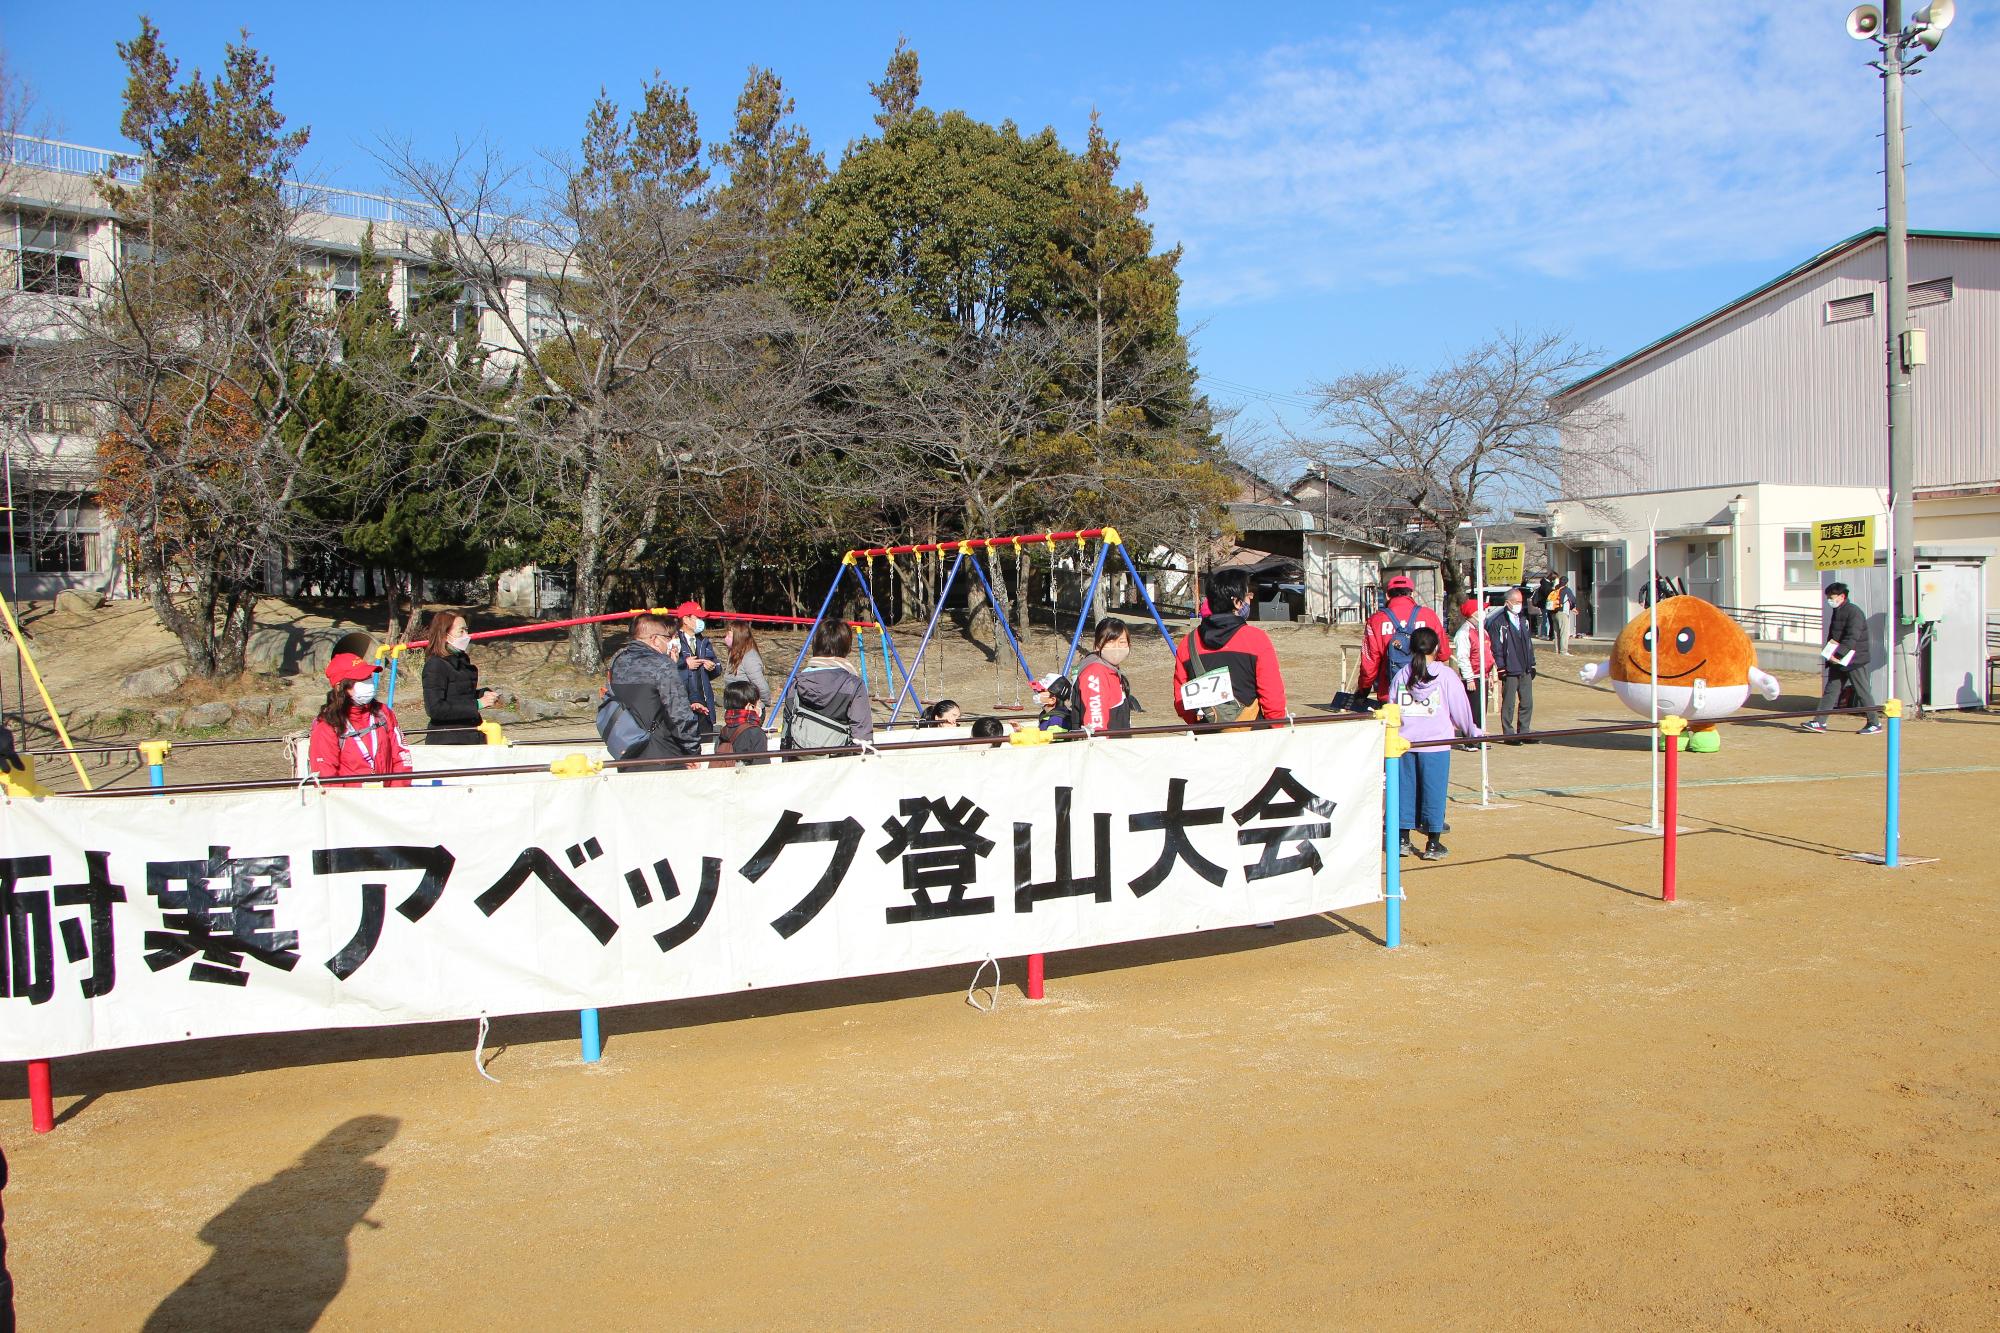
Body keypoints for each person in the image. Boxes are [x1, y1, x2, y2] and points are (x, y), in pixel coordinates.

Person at [1388, 626, 1483, 860]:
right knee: (1434, 791)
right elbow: (1461, 709)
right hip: (1436, 743)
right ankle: (1433, 843)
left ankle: (1402, 839)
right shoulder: (1446, 676)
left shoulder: (1402, 674)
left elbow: (1391, 706)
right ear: (1438, 648)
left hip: (1405, 743)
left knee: (1405, 790)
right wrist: (1471, 731)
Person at [1173, 569, 1288, 724]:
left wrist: (1201, 725)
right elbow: (1272, 697)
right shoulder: (1256, 640)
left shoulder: (1188, 643)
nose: (1250, 599)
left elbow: (1182, 701)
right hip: (1251, 735)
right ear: (1237, 602)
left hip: (1207, 737)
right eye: (1247, 595)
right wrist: (1277, 729)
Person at [606, 614, 701, 762]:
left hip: (626, 749)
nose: (669, 642)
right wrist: (693, 751)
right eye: (666, 638)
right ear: (655, 639)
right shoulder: (662, 664)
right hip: (663, 752)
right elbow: (679, 714)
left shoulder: (616, 661)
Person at [309, 653, 414, 784]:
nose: (368, 683)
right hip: (349, 802)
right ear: (339, 687)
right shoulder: (327, 725)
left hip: (388, 799)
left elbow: (401, 758)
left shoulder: (383, 713)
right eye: (360, 679)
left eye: (368, 677)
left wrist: (394, 795)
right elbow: (326, 777)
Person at [1354, 572, 1449, 703]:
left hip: (1390, 692)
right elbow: (1443, 654)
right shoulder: (1429, 615)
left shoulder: (1376, 620)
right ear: (1412, 594)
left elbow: (1369, 663)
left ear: (1387, 595)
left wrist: (1363, 689)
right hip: (1427, 691)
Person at [1805, 581, 1883, 734]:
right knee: (1831, 690)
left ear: (1842, 596)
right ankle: (1819, 722)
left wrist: (1837, 653)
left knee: (1862, 691)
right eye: (1828, 597)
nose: (1829, 600)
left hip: (1854, 660)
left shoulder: (1854, 612)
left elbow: (1852, 636)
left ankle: (1874, 723)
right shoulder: (1839, 610)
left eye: (1831, 597)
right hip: (1839, 659)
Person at [784, 618, 873, 750]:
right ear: (846, 648)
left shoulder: (796, 683)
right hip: (839, 765)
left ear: (815, 645)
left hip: (801, 762)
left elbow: (787, 731)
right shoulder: (853, 685)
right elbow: (862, 737)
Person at [420, 611, 498, 745]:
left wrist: (482, 694)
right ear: (444, 635)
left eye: (467, 630)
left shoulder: (461, 660)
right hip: (449, 740)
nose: (466, 636)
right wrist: (478, 704)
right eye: (461, 631)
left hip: (471, 733)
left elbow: (459, 694)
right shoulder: (435, 665)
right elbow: (435, 708)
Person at [1485, 586, 1539, 743]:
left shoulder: (1523, 619)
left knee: (1527, 701)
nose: (1519, 605)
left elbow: (1528, 643)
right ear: (1508, 603)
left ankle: (1524, 731)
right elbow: (1496, 647)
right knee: (1509, 702)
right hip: (1509, 667)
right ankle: (1508, 733)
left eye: (1521, 602)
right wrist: (1501, 667)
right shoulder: (1498, 622)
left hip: (1525, 666)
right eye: (1517, 602)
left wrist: (1532, 663)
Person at [1074, 616, 1140, 732]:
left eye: (1122, 642)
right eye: (1110, 642)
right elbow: (1096, 723)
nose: (1117, 647)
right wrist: (1102, 746)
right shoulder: (1095, 673)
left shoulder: (1112, 670)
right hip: (1105, 747)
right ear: (1098, 645)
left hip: (1117, 744)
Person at [669, 601, 722, 736]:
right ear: (686, 619)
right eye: (697, 618)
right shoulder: (673, 641)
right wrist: (684, 664)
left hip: (704, 704)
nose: (701, 621)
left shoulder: (703, 642)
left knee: (706, 742)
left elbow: (717, 668)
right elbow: (667, 669)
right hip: (684, 704)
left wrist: (712, 667)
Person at [1450, 597, 1498, 723]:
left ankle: (1480, 734)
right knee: (1473, 709)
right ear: (1472, 613)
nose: (1484, 612)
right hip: (1473, 676)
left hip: (1484, 675)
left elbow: (1488, 653)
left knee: (1482, 709)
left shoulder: (1483, 631)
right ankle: (1471, 739)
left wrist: (1490, 675)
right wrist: (1469, 678)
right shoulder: (1464, 633)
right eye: (1481, 610)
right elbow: (1462, 657)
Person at [712, 680, 772, 767]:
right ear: (749, 706)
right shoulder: (755, 732)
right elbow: (762, 766)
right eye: (757, 703)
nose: (759, 707)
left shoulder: (724, 730)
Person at [720, 622, 771, 710]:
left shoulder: (749, 658)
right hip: (735, 706)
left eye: (729, 636)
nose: (726, 638)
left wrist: (762, 703)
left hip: (749, 709)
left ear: (738, 637)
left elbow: (761, 685)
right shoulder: (734, 654)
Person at [1547, 575, 1577, 656]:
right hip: (1562, 613)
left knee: (1556, 632)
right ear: (1566, 582)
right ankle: (1563, 651)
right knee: (1564, 633)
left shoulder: (1556, 589)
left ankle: (1557, 650)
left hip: (1553, 612)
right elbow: (1573, 600)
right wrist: (1573, 607)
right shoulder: (1567, 590)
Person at [1530, 574, 1554, 639]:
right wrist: (1553, 590)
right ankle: (1544, 634)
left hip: (1543, 604)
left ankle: (1544, 634)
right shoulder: (1546, 585)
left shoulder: (1544, 583)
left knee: (1545, 619)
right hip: (1545, 604)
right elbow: (1547, 594)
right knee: (1546, 619)